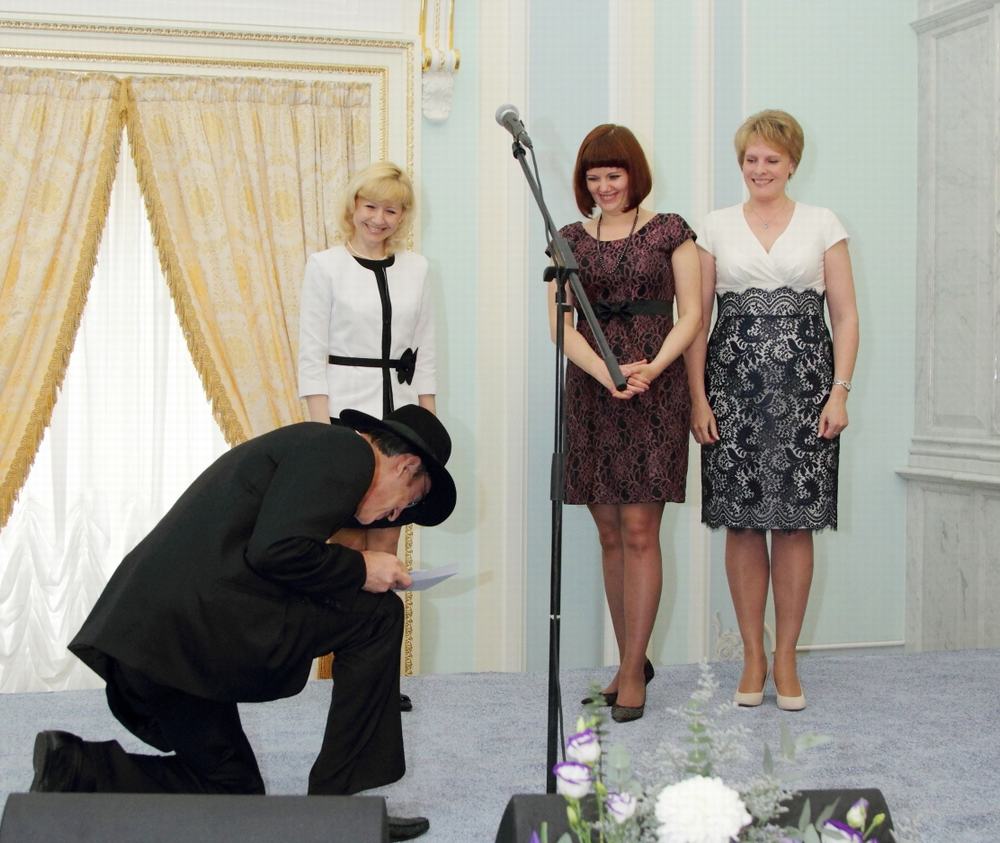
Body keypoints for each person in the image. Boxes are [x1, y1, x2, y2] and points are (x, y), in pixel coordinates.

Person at [29, 405, 456, 842]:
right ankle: (336, 808)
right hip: (190, 629)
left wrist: (356, 567)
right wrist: (361, 567)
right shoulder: (346, 451)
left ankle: (74, 768)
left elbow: (279, 554)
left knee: (233, 793)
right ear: (406, 466)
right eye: (411, 502)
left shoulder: (314, 451)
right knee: (379, 615)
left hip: (162, 643)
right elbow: (276, 551)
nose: (394, 516)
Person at [686, 109, 860, 711]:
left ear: (792, 164)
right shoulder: (714, 226)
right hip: (731, 392)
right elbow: (697, 321)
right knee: (741, 523)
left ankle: (785, 656)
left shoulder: (823, 223)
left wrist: (840, 391)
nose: (760, 169)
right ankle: (752, 656)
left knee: (794, 523)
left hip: (806, 393)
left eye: (772, 159)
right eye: (751, 159)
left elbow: (846, 316)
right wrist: (698, 397)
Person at [549, 124, 702, 723]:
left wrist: (651, 369)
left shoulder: (671, 231)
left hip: (654, 390)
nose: (604, 186)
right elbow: (560, 326)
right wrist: (605, 372)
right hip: (594, 392)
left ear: (634, 173)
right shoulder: (567, 240)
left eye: (614, 174)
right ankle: (626, 659)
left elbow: (692, 314)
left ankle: (635, 668)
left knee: (640, 531)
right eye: (593, 177)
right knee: (609, 535)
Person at [298, 161, 435, 712]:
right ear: (353, 207)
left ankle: (380, 679)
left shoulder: (418, 269)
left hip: (399, 424)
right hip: (343, 422)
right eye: (370, 206)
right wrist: (320, 434)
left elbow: (426, 352)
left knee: (387, 549)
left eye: (391, 209)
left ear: (404, 216)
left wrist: (428, 428)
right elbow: (311, 356)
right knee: (347, 549)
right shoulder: (324, 266)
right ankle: (339, 674)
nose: (379, 218)